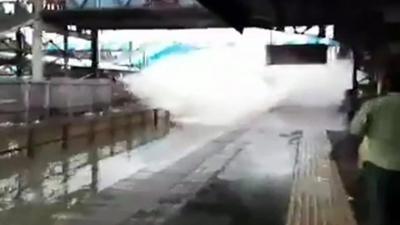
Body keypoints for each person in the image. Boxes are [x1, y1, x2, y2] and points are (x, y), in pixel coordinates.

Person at [350, 70, 400, 225]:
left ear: (387, 84)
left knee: (381, 213)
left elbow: (355, 130)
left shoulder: (373, 105)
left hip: (379, 168)